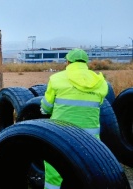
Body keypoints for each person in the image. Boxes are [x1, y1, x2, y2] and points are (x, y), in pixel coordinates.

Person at [40, 48, 108, 188]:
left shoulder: (56, 79)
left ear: (68, 61)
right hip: (91, 140)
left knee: (54, 171)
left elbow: (46, 107)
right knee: (89, 172)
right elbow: (98, 104)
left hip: (60, 136)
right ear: (86, 62)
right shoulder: (101, 82)